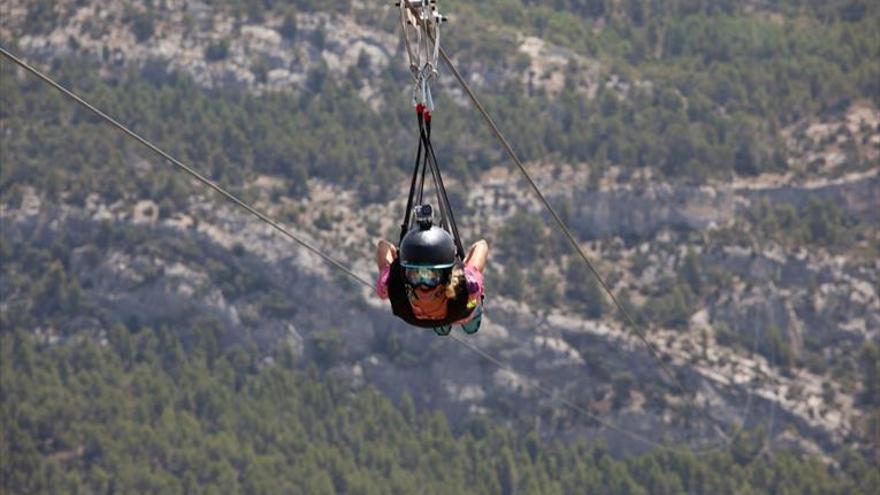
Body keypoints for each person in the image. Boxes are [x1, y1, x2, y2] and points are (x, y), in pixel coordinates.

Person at [375, 214, 488, 336]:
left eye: (431, 277)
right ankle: (449, 320)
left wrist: (472, 305)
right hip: (455, 311)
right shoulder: (394, 285)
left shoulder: (466, 286)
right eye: (415, 275)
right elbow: (481, 245)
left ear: (446, 279)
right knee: (468, 308)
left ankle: (454, 319)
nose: (423, 285)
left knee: (469, 312)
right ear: (406, 277)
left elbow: (383, 245)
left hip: (457, 310)